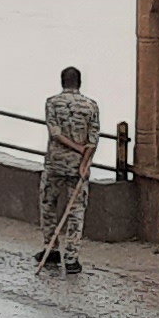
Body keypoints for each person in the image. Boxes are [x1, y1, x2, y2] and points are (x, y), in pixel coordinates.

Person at [36, 64, 101, 272]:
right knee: (76, 211)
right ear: (79, 83)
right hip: (78, 168)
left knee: (48, 204)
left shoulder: (52, 103)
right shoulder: (91, 106)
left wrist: (77, 149)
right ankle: (71, 257)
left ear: (62, 82)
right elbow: (93, 139)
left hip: (55, 163)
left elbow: (55, 133)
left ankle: (51, 248)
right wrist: (84, 159)